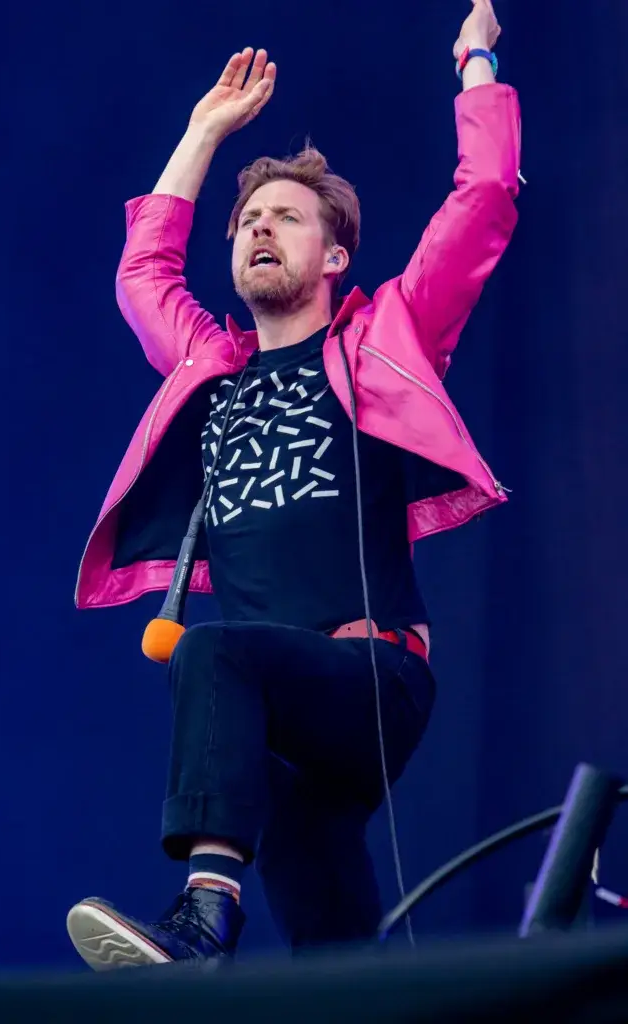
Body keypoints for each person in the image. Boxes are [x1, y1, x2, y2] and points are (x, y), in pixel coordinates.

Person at [68, 0, 521, 970]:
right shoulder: (210, 365)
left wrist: (474, 62)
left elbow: (483, 195)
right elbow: (143, 275)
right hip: (276, 726)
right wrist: (201, 132)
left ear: (335, 254)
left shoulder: (382, 339)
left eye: (283, 217)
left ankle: (202, 917)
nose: (258, 229)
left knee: (212, 653)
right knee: (332, 942)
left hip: (371, 678)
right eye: (246, 221)